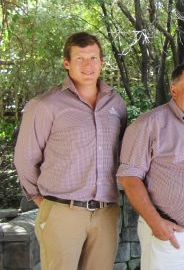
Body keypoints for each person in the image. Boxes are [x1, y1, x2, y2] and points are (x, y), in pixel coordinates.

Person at [14, 31, 127, 270]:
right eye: (80, 59)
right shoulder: (45, 105)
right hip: (63, 211)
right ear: (66, 63)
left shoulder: (116, 104)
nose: (88, 65)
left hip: (106, 212)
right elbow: (25, 158)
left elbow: (121, 155)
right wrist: (39, 198)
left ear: (102, 62)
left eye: (93, 58)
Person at [117, 62, 184, 270]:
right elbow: (129, 178)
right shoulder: (149, 124)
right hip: (170, 236)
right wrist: (156, 223)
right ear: (173, 90)